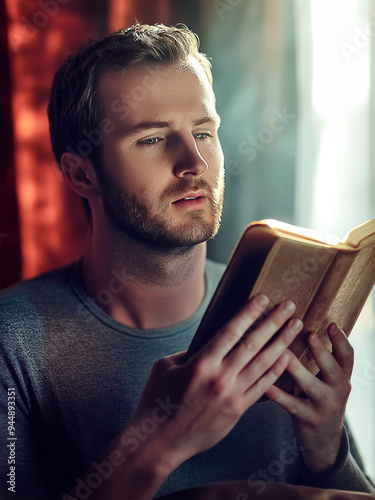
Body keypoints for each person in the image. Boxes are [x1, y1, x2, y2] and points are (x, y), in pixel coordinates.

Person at [0, 23, 374, 500]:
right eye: (152, 140)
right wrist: (159, 444)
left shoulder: (281, 310)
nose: (193, 162)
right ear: (80, 174)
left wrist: (328, 453)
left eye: (202, 131)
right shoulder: (12, 342)